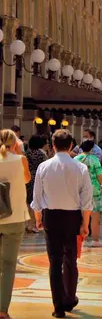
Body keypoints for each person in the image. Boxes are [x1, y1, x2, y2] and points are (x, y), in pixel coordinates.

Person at [32, 129, 93, 318]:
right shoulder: (80, 168)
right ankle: (69, 297)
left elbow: (37, 196)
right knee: (70, 259)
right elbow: (87, 199)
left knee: (54, 261)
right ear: (70, 146)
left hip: (51, 215)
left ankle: (58, 306)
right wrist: (86, 223)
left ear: (52, 145)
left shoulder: (44, 166)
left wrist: (38, 217)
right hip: (72, 217)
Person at [0, 129, 31, 319]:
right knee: (9, 264)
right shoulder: (20, 160)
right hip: (15, 217)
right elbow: (27, 179)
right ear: (15, 143)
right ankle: (2, 309)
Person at [74, 139, 102, 246]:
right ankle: (95, 240)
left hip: (79, 189)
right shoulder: (94, 159)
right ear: (92, 148)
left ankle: (82, 239)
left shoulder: (76, 159)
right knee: (95, 215)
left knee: (81, 215)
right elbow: (99, 175)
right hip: (94, 188)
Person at [26, 135, 47, 233]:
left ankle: (27, 223)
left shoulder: (27, 153)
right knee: (35, 200)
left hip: (28, 177)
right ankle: (32, 224)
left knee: (28, 200)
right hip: (38, 178)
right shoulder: (41, 154)